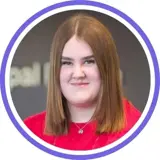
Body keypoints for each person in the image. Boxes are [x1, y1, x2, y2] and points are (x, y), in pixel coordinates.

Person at [24, 12, 141, 150]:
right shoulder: (28, 131)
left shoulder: (138, 129)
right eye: (67, 63)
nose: (78, 73)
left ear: (107, 66)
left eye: (89, 61)